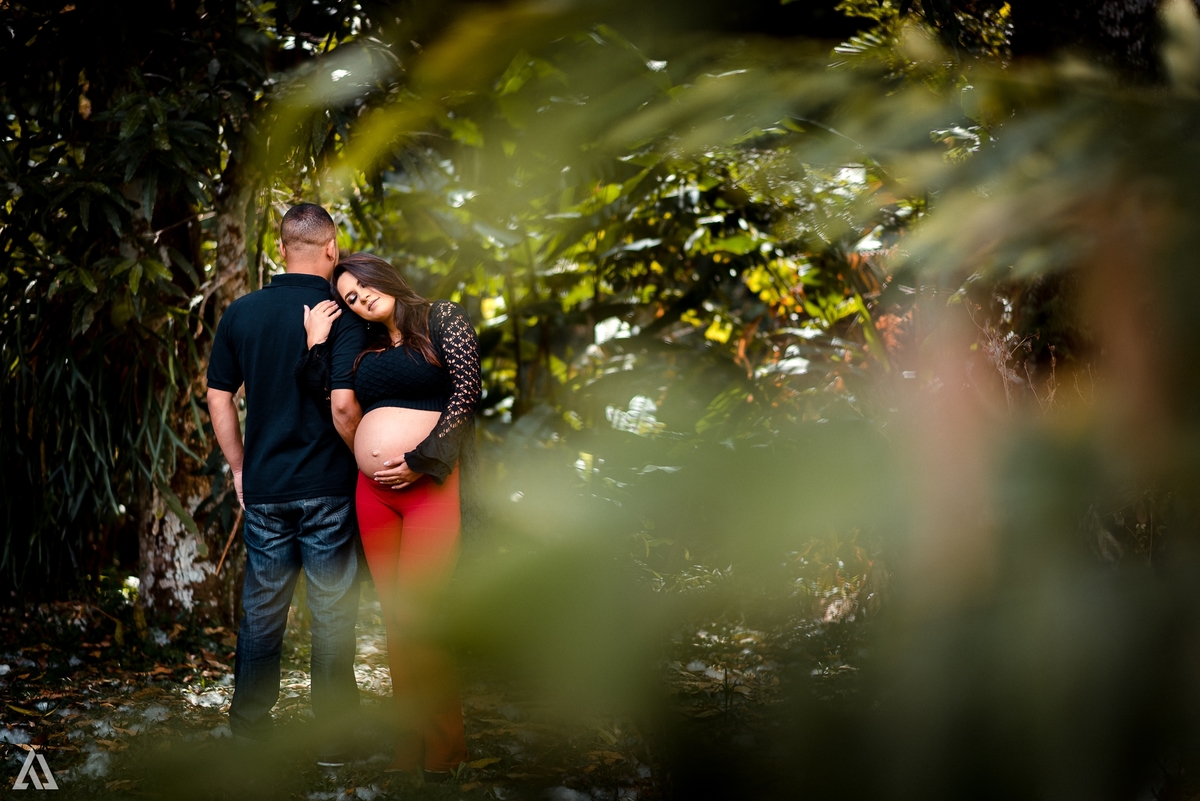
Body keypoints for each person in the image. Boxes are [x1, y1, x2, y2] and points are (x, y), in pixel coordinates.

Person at [298, 251, 481, 778]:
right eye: (350, 298)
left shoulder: (440, 317)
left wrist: (421, 460)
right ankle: (409, 747)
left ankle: (446, 749)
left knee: (420, 614)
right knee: (396, 619)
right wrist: (316, 342)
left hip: (430, 485)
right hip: (373, 494)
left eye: (363, 287)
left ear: (383, 276)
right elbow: (329, 398)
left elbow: (467, 392)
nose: (360, 300)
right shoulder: (365, 344)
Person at [206, 203, 365, 766]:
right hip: (330, 485)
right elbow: (344, 404)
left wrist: (240, 467)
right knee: (332, 611)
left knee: (263, 609)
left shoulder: (242, 312)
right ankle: (334, 740)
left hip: (267, 486)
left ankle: (250, 730)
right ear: (332, 248)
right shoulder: (344, 315)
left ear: (280, 249)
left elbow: (219, 396)